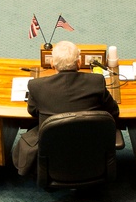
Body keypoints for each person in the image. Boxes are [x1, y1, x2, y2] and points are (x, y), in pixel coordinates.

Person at [12, 38, 119, 177]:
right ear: (79, 63)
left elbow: (32, 111)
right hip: (91, 155)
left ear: (52, 64)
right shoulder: (96, 82)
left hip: (53, 162)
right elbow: (114, 112)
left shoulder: (36, 86)